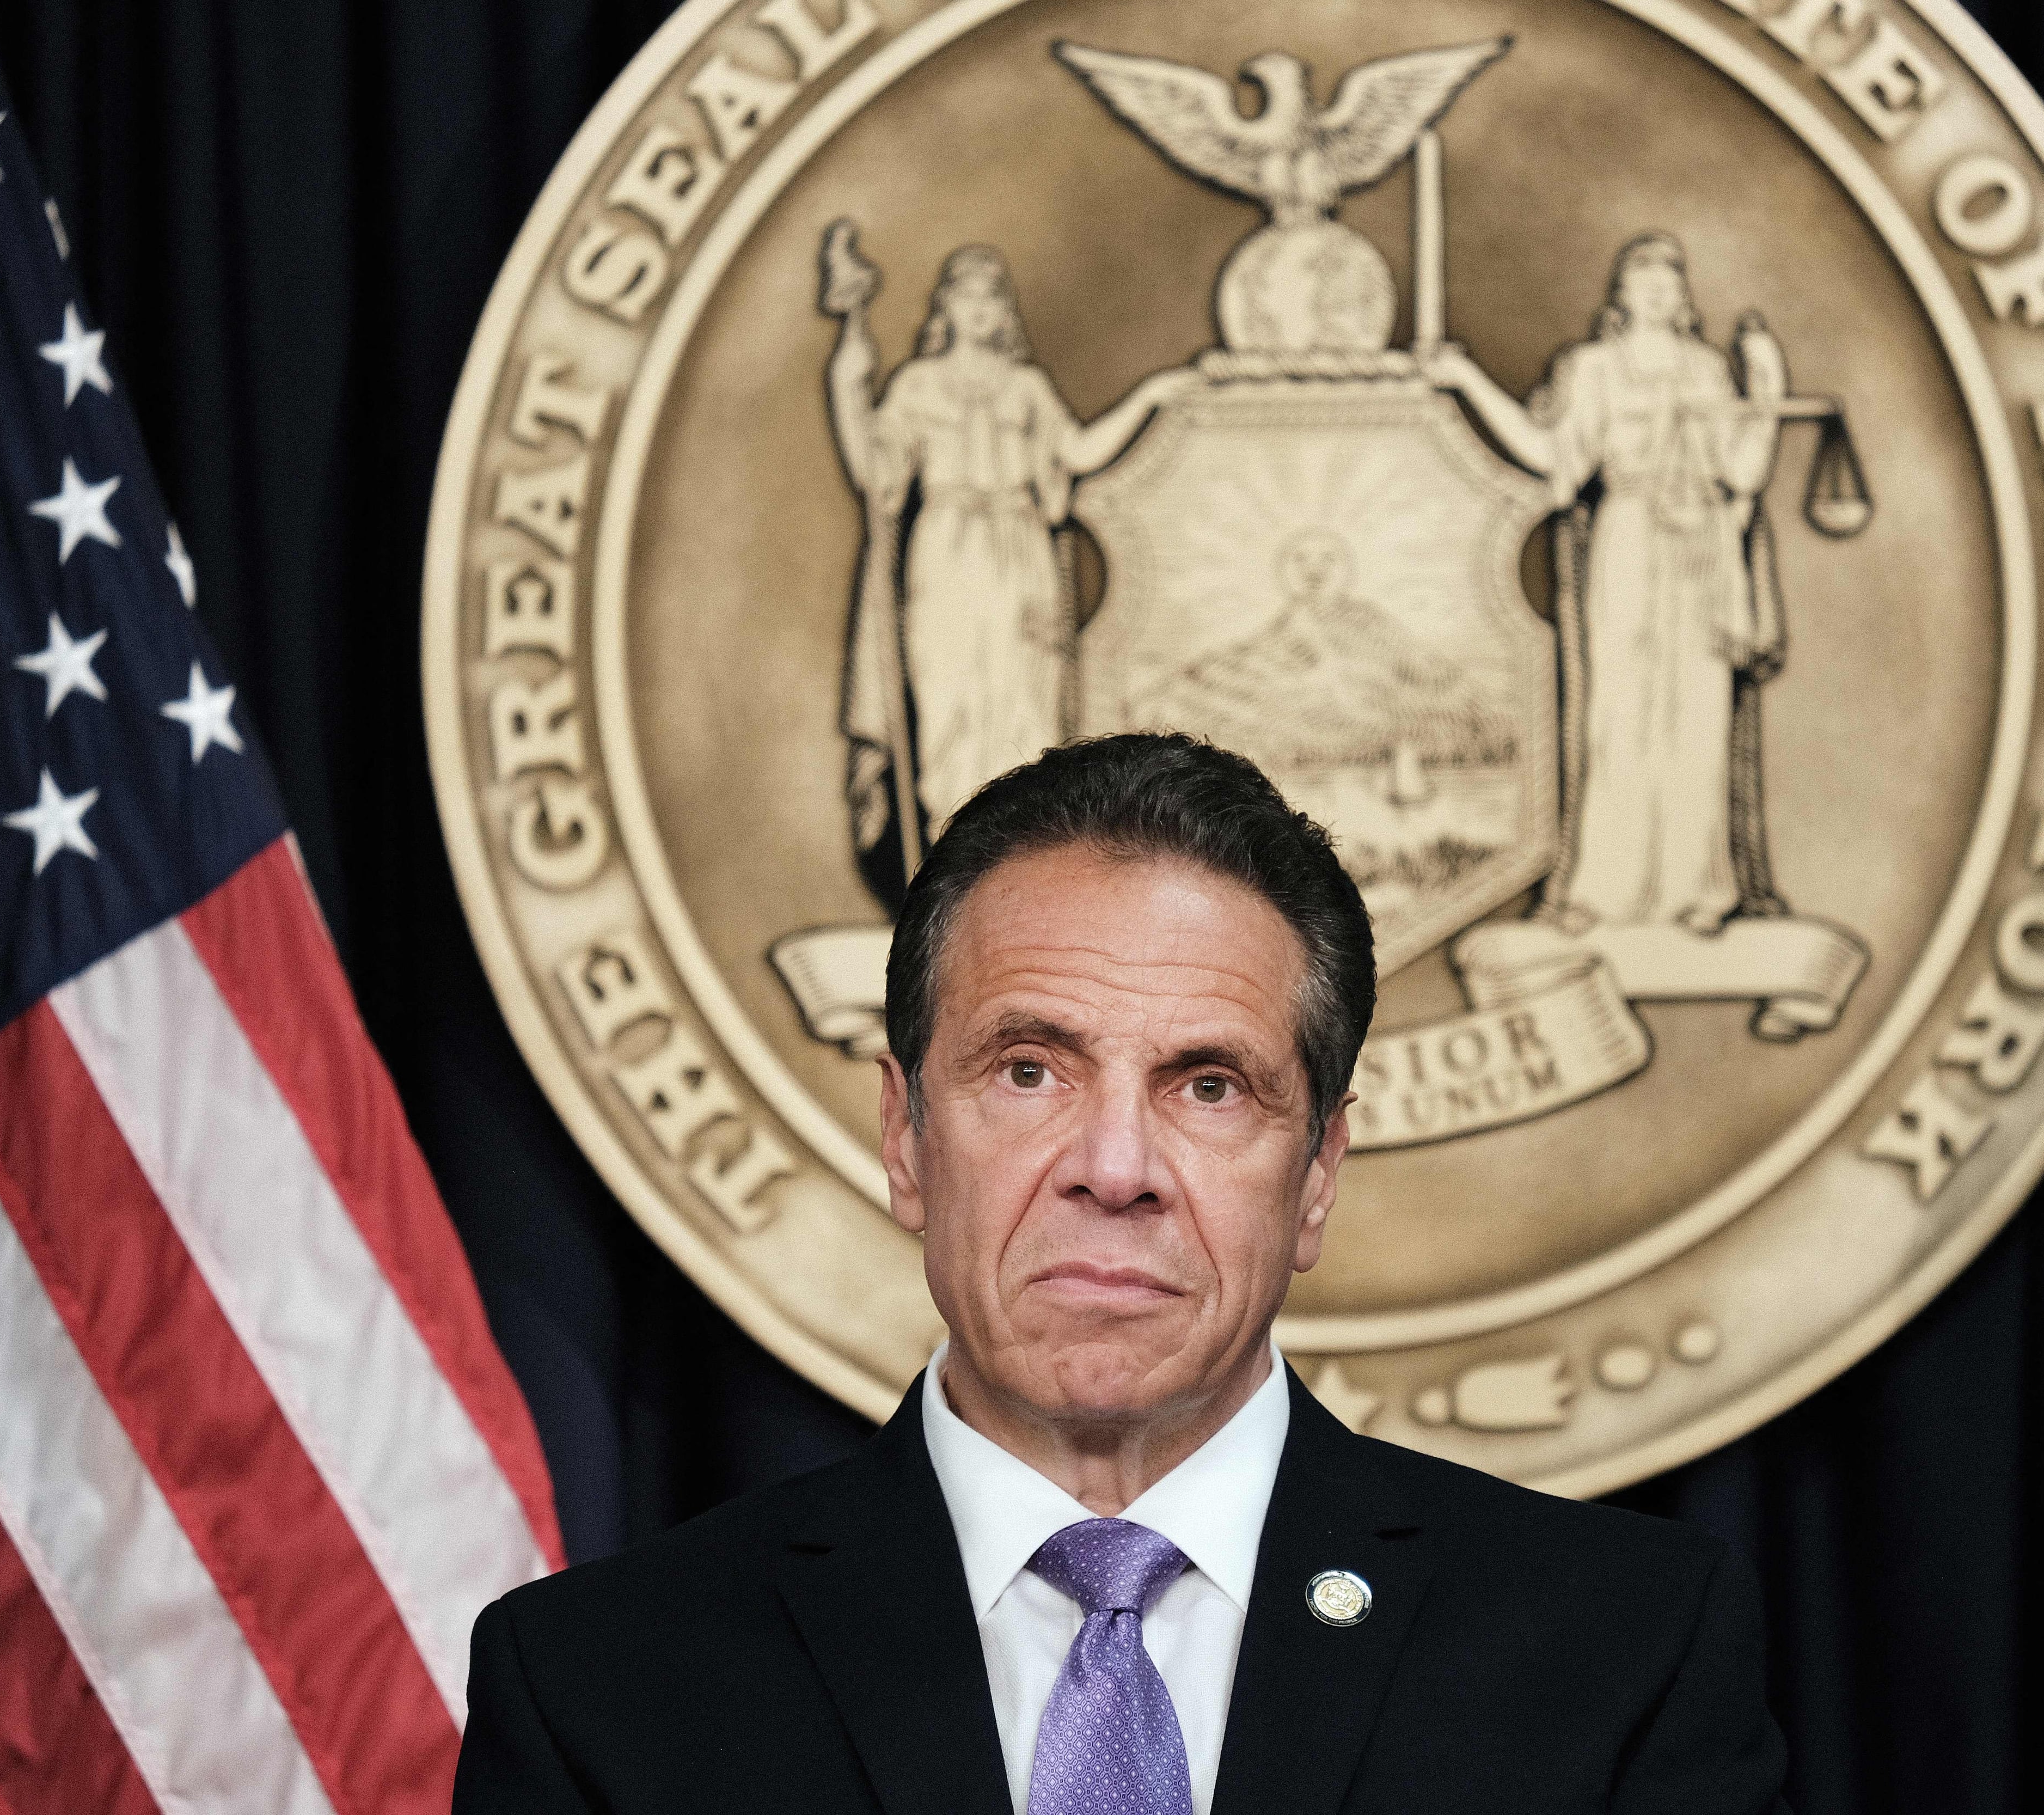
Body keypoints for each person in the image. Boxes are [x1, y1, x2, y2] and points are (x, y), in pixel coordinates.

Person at [453, 734, 1791, 1814]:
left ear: (1317, 1170)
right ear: (905, 1134)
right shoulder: (602, 1689)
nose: (1113, 1165)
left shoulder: (1622, 1656)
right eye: (1029, 1070)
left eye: (1209, 1086)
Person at [1425, 233, 1781, 935]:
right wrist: (1467, 382)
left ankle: (1695, 891)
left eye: (1668, 279)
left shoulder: (1707, 371)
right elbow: (1551, 455)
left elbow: (1741, 472)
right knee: (1618, 715)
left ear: (1682, 298)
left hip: (1700, 552)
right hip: (1628, 539)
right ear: (1619, 294)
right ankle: (1605, 890)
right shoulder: (1591, 370)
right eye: (1641, 277)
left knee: (1696, 715)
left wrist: (1763, 391)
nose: (1656, 289)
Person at [826, 243, 1198, 838]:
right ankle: (949, 846)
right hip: (946, 554)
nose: (979, 309)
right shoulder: (918, 385)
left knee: (1024, 707)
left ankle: (1016, 855)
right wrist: (847, 386)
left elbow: (1076, 453)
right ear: (945, 305)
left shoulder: (1025, 388)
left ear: (1004, 313)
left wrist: (1147, 396)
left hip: (1020, 558)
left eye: (991, 297)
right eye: (966, 295)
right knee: (949, 703)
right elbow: (877, 476)